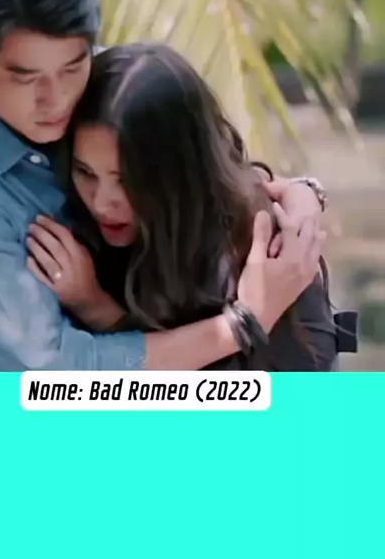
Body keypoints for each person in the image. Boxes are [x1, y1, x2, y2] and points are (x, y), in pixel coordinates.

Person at [0, 0, 327, 372]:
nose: (57, 98)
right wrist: (243, 322)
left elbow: (196, 157)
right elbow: (61, 373)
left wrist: (299, 197)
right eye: (26, 78)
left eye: (73, 66)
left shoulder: (94, 82)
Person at [24, 43, 336, 371]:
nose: (101, 202)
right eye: (85, 172)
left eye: (127, 180)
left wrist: (95, 307)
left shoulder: (261, 249)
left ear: (181, 174)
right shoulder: (81, 225)